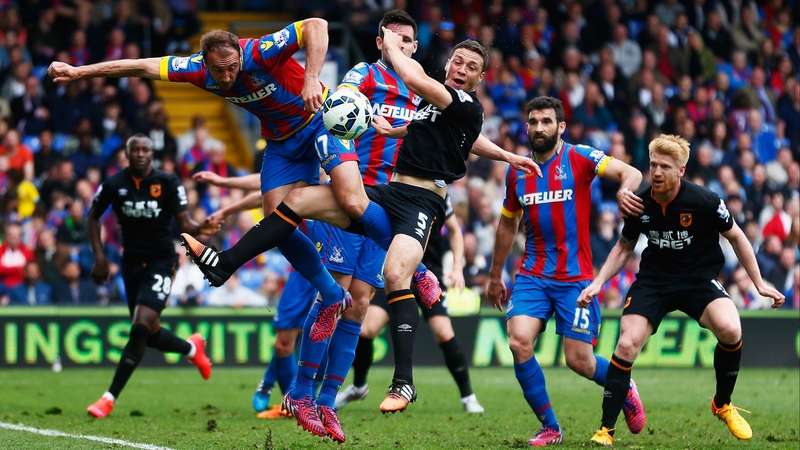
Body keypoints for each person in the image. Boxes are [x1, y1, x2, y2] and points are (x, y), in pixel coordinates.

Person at [182, 26, 538, 421]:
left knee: (383, 282)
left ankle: (399, 381)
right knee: (297, 201)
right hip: (385, 192)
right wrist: (502, 153)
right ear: (449, 62)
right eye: (457, 61)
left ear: (478, 77)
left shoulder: (455, 98)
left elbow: (419, 81)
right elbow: (454, 135)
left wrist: (392, 46)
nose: (461, 69)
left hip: (422, 203)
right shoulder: (417, 97)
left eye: (471, 66)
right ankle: (225, 264)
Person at [49, 17, 373, 352]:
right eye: (220, 71)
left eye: (233, 67)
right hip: (281, 144)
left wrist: (311, 79)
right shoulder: (194, 69)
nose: (228, 76)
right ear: (205, 65)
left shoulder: (261, 51)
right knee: (279, 224)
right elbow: (141, 66)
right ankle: (334, 296)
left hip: (319, 121)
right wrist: (78, 71)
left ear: (239, 55)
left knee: (352, 201)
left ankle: (405, 247)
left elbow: (316, 25)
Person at [578, 134, 785, 446]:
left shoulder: (705, 201)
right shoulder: (641, 202)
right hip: (654, 282)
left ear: (681, 171)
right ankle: (606, 430)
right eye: (653, 165)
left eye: (665, 166)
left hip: (697, 280)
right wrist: (598, 282)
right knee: (626, 344)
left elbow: (738, 237)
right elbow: (624, 246)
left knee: (731, 329)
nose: (657, 172)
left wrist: (759, 284)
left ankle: (722, 404)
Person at [487, 96, 647, 446]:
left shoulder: (579, 157)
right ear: (527, 127)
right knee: (518, 342)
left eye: (546, 121)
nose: (539, 128)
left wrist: (623, 190)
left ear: (560, 127)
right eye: (533, 122)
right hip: (532, 275)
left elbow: (632, 172)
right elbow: (506, 225)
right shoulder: (518, 171)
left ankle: (623, 383)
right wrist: (495, 274)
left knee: (580, 362)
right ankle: (550, 427)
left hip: (575, 279)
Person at [85, 135, 219, 419]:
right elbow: (92, 217)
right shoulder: (114, 184)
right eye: (136, 149)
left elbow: (184, 222)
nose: (142, 154)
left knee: (140, 327)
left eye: (146, 149)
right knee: (149, 332)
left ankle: (108, 398)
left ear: (152, 154)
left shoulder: (168, 182)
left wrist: (202, 228)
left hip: (161, 261)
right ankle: (191, 348)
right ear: (128, 153)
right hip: (130, 264)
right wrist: (99, 257)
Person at [336, 194, 485, 414]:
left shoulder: (438, 195)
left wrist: (456, 269)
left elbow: (455, 231)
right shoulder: (393, 192)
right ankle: (358, 387)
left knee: (444, 333)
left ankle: (468, 396)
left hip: (428, 278)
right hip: (396, 277)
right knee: (366, 330)